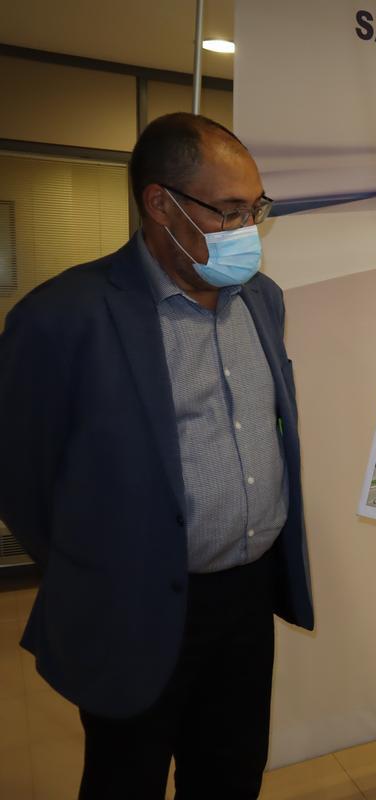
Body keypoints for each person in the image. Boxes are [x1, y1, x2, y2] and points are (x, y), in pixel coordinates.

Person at [0, 112, 313, 799]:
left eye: (254, 209)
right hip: (133, 606)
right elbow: (20, 477)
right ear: (160, 203)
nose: (246, 231)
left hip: (244, 600)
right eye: (229, 211)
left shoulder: (262, 300)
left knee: (229, 775)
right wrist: (98, 567)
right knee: (125, 780)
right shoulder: (63, 317)